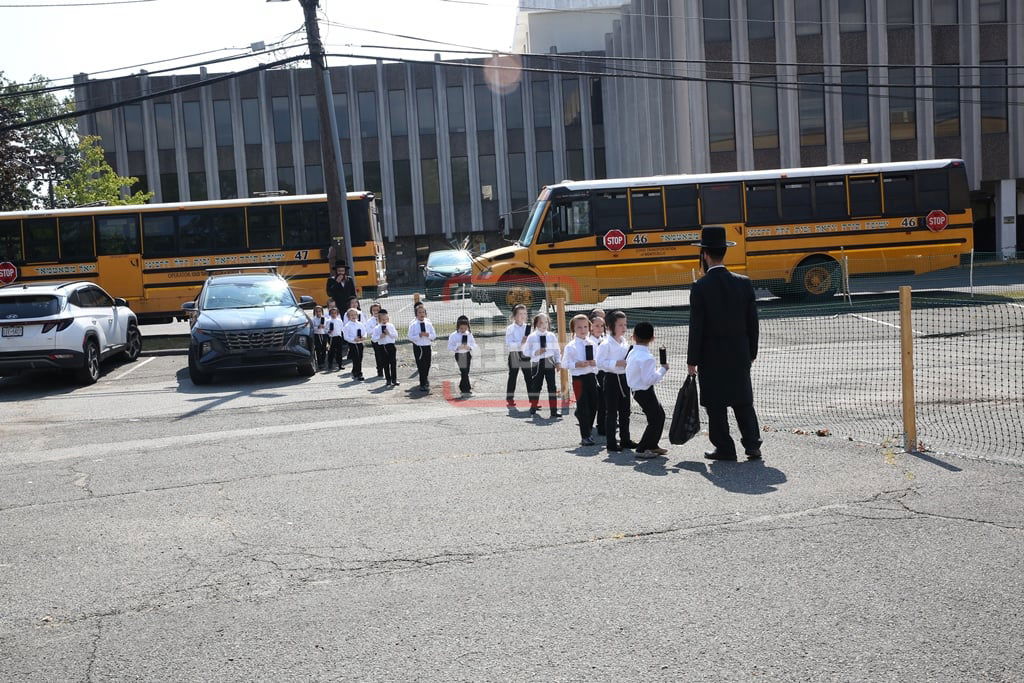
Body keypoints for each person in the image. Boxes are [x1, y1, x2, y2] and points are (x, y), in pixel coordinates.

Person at [686, 225, 762, 461]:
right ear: (724, 252)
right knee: (743, 401)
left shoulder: (700, 287)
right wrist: (751, 351)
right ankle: (753, 445)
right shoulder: (743, 282)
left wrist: (692, 360)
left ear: (705, 254)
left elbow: (696, 327)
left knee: (715, 403)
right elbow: (753, 322)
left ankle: (725, 448)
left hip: (711, 354)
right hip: (739, 351)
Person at [626, 321, 669, 458]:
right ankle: (642, 448)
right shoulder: (647, 358)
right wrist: (663, 369)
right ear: (652, 338)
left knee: (659, 415)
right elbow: (649, 379)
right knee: (656, 418)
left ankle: (652, 445)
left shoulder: (632, 352)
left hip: (637, 390)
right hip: (644, 391)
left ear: (633, 336)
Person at [597, 310, 636, 452]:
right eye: (620, 325)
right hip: (612, 379)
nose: (624, 328)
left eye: (625, 324)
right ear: (610, 326)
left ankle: (625, 439)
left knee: (626, 411)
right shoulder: (605, 343)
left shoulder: (624, 341)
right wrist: (616, 363)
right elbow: (599, 362)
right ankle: (611, 443)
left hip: (624, 378)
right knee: (612, 412)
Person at [561, 314, 600, 446]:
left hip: (591, 377)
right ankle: (585, 436)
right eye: (579, 327)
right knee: (583, 406)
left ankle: (587, 428)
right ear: (573, 329)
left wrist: (595, 363)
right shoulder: (571, 346)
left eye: (585, 327)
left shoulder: (593, 343)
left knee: (594, 404)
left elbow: (599, 361)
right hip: (578, 379)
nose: (583, 330)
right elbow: (564, 364)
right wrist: (577, 364)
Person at [523, 313, 560, 419]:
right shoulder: (532, 336)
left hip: (549, 362)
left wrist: (558, 362)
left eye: (546, 322)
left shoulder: (551, 336)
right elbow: (526, 351)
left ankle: (554, 411)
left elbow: (556, 350)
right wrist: (536, 352)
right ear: (536, 324)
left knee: (552, 387)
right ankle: (533, 407)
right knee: (536, 386)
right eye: (541, 322)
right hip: (537, 363)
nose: (544, 324)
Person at [504, 304, 531, 408]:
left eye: (524, 313)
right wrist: (521, 343)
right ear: (514, 316)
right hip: (514, 354)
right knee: (513, 376)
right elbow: (509, 344)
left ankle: (533, 400)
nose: (523, 316)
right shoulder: (510, 328)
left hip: (525, 354)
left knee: (529, 377)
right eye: (520, 314)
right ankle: (510, 399)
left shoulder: (528, 328)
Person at [407, 305, 437, 392]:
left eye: (423, 312)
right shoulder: (413, 325)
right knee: (421, 366)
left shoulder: (428, 324)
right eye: (419, 312)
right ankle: (422, 383)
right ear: (416, 314)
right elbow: (409, 337)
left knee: (427, 364)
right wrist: (418, 336)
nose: (421, 314)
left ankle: (425, 378)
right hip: (418, 347)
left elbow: (434, 335)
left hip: (427, 346)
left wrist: (428, 335)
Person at [447, 315, 478, 394]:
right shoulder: (454, 335)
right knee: (463, 371)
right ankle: (466, 388)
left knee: (466, 371)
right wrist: (457, 347)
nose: (463, 330)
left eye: (465, 328)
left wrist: (469, 347)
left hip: (467, 354)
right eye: (461, 328)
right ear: (458, 327)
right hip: (459, 355)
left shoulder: (469, 334)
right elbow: (449, 346)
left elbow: (474, 344)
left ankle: (462, 385)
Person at [589, 313, 607, 437]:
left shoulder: (605, 340)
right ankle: (587, 426)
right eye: (596, 326)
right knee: (593, 403)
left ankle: (602, 426)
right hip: (593, 374)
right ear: (591, 327)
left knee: (604, 402)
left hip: (604, 373)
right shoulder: (589, 342)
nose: (600, 328)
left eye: (602, 326)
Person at [372, 308, 399, 387]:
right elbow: (373, 339)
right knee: (385, 364)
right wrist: (380, 336)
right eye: (382, 319)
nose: (384, 321)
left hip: (390, 346)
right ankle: (388, 379)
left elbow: (396, 336)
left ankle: (394, 379)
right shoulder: (377, 328)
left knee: (393, 363)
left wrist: (389, 333)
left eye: (386, 319)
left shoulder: (391, 326)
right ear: (379, 319)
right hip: (382, 346)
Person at [343, 307, 367, 381]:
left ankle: (354, 371)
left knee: (360, 357)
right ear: (348, 317)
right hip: (353, 344)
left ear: (357, 315)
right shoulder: (347, 326)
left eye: (354, 315)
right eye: (351, 315)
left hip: (360, 343)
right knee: (356, 358)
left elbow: (364, 332)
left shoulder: (360, 324)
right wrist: (353, 339)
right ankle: (358, 373)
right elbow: (346, 337)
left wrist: (364, 337)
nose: (353, 316)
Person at [325, 307, 345, 372]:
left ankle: (340, 364)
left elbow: (342, 328)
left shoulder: (339, 320)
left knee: (339, 351)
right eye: (332, 313)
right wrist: (329, 331)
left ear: (337, 313)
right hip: (331, 338)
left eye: (335, 313)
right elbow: (325, 330)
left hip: (338, 337)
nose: (333, 314)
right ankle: (330, 363)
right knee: (331, 351)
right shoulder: (328, 321)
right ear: (330, 314)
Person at [367, 302, 384, 379]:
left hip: (384, 340)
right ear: (371, 311)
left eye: (377, 310)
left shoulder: (384, 319)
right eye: (374, 310)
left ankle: (386, 369)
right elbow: (369, 331)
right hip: (375, 340)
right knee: (378, 355)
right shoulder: (370, 321)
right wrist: (376, 330)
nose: (376, 312)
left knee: (385, 355)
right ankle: (379, 370)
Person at [311, 305, 329, 370]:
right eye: (317, 311)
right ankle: (319, 363)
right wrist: (318, 327)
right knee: (318, 349)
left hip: (323, 335)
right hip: (317, 335)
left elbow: (327, 327)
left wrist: (325, 328)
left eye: (319, 311)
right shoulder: (313, 319)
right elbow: (312, 328)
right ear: (314, 312)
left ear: (322, 312)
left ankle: (323, 361)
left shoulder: (325, 319)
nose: (318, 313)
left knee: (324, 349)